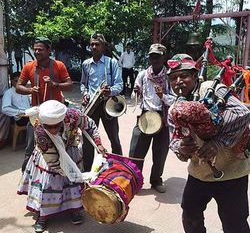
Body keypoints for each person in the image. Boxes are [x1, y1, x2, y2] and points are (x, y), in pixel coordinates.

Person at [167, 53, 250, 233]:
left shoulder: (211, 88)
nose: (178, 81)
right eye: (173, 78)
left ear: (195, 76)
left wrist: (218, 143)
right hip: (199, 173)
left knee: (234, 224)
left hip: (232, 172)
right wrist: (181, 148)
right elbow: (173, 138)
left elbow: (242, 112)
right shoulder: (175, 107)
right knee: (190, 214)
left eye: (184, 76)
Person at [17, 100, 107, 233]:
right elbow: (53, 162)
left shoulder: (73, 116)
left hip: (70, 151)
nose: (53, 130)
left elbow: (91, 125)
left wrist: (98, 144)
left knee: (73, 184)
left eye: (56, 126)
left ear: (62, 120)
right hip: (49, 159)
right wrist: (74, 174)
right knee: (48, 184)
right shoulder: (40, 130)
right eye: (49, 127)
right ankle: (43, 216)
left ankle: (74, 210)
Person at [16, 37, 73, 170]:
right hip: (37, 114)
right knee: (30, 149)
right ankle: (26, 179)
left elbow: (69, 85)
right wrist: (30, 90)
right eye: (35, 49)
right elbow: (18, 87)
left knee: (61, 147)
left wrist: (55, 84)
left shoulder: (59, 65)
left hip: (56, 116)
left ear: (49, 50)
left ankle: (61, 177)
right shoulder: (28, 66)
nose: (36, 52)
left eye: (40, 49)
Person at [129, 44, 175, 193]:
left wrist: (163, 96)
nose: (154, 59)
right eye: (152, 56)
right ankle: (134, 180)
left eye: (157, 56)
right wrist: (136, 93)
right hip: (145, 116)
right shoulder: (143, 75)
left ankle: (156, 180)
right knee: (136, 151)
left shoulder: (169, 76)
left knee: (160, 153)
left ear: (164, 58)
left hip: (162, 118)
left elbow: (176, 100)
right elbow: (133, 96)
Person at [80, 33, 123, 171]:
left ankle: (118, 168)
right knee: (88, 140)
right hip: (92, 106)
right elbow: (83, 84)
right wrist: (85, 94)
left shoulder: (112, 63)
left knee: (114, 139)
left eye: (97, 44)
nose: (93, 47)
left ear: (103, 47)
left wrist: (109, 91)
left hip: (107, 106)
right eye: (92, 44)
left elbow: (119, 85)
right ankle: (87, 172)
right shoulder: (86, 64)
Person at [2, 72, 33, 159]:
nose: (19, 83)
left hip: (28, 114)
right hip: (20, 117)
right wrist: (19, 112)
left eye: (22, 81)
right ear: (12, 81)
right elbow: (4, 108)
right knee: (36, 122)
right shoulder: (9, 93)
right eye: (16, 81)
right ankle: (31, 146)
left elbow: (29, 103)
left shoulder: (24, 90)